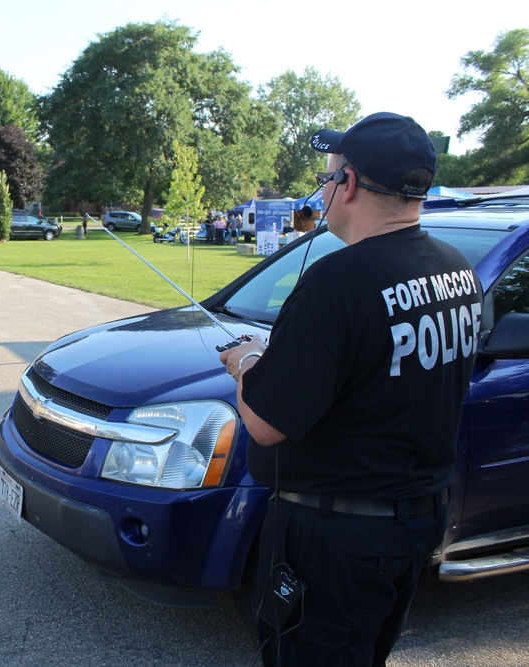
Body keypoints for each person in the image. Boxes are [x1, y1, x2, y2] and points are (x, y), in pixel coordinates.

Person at [218, 112, 483, 667]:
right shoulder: (458, 270)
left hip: (337, 539)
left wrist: (245, 362)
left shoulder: (337, 283)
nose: (325, 187)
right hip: (416, 522)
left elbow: (266, 423)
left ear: (350, 184)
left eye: (328, 175)